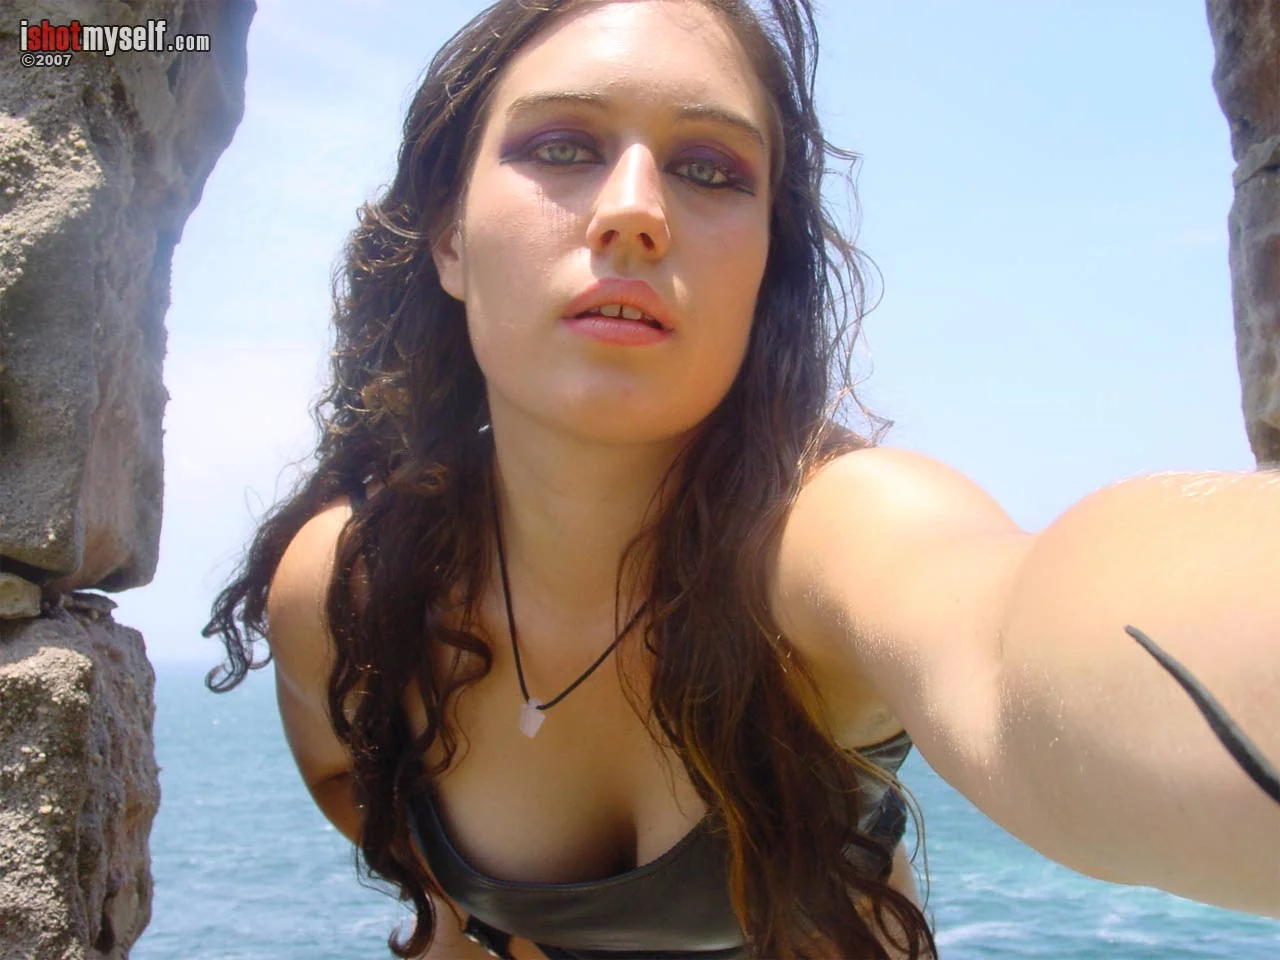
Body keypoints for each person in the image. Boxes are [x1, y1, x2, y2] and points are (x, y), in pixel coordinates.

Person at [203, 1, 1280, 958]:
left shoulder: (827, 537)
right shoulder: (350, 592)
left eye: (710, 170)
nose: (635, 209)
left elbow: (1010, 637)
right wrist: (464, 926)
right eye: (562, 146)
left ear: (765, 263)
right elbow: (359, 788)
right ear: (448, 237)